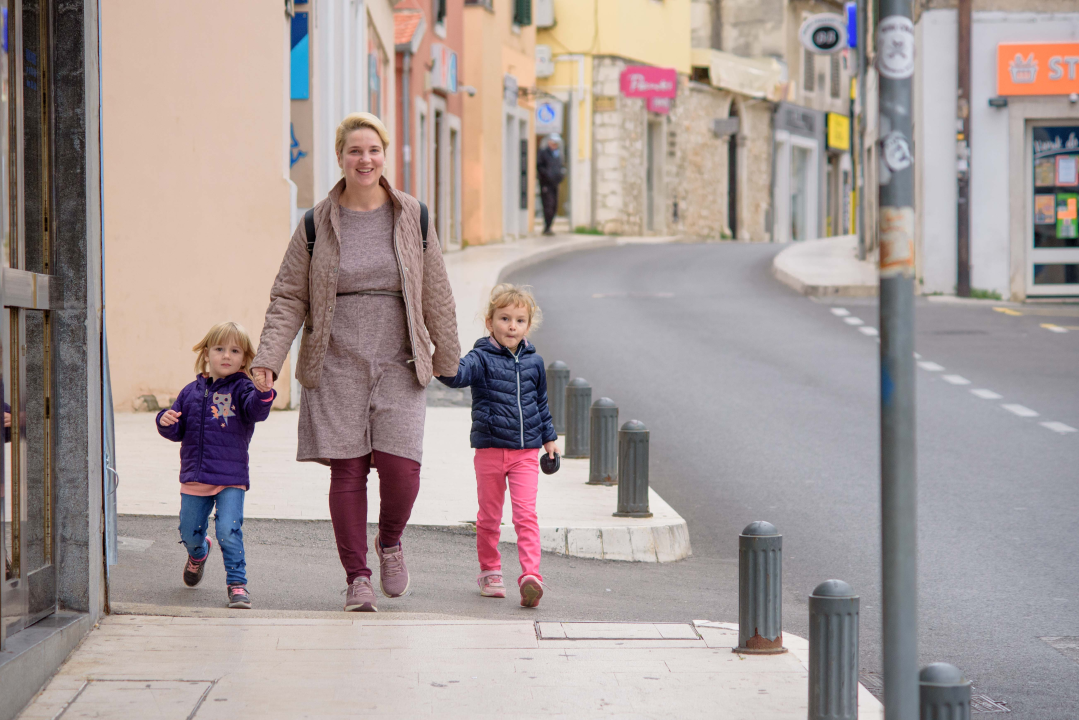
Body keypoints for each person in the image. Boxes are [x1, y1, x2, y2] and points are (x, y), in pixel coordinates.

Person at [250, 112, 460, 613]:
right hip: (337, 358)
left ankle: (389, 542)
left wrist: (448, 357)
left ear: (384, 154)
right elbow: (287, 297)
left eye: (372, 150)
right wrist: (268, 358)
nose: (364, 160)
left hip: (400, 358)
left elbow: (437, 292)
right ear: (341, 157)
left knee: (401, 468)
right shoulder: (315, 222)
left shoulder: (413, 215)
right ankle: (357, 577)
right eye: (354, 151)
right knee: (346, 472)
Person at [437, 284, 558, 608]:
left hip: (526, 453)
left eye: (519, 320)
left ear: (528, 325)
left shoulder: (534, 363)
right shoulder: (480, 358)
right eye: (504, 318)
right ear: (489, 322)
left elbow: (541, 403)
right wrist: (438, 358)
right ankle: (489, 571)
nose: (512, 326)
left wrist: (549, 439)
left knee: (525, 515)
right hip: (490, 450)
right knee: (490, 517)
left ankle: (531, 576)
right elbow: (457, 375)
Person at [156, 321, 275, 609]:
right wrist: (164, 420)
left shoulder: (243, 389)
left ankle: (237, 584)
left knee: (228, 530)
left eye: (235, 350)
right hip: (196, 478)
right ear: (207, 353)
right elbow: (177, 428)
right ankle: (198, 553)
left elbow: (256, 411)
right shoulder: (190, 392)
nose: (226, 355)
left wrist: (264, 394)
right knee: (188, 531)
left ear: (245, 359)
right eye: (220, 348)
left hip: (230, 477)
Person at [537, 134, 565, 236]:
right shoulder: (543, 153)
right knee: (548, 205)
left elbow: (561, 167)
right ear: (549, 142)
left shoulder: (557, 155)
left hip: (555, 183)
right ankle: (547, 226)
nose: (555, 145)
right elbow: (539, 167)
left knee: (554, 205)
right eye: (553, 143)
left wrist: (560, 176)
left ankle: (550, 226)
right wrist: (547, 176)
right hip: (546, 183)